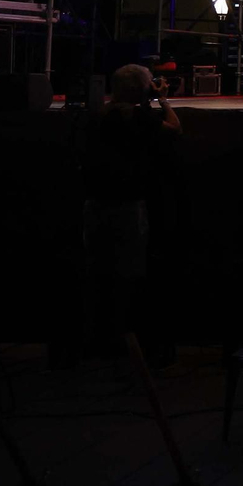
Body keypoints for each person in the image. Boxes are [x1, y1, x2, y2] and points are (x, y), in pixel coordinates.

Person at [82, 64, 180, 362]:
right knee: (129, 274)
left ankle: (97, 342)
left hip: (94, 203)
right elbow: (174, 129)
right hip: (127, 205)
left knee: (98, 271)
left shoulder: (98, 114)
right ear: (143, 89)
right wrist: (163, 100)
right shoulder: (137, 116)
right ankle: (127, 342)